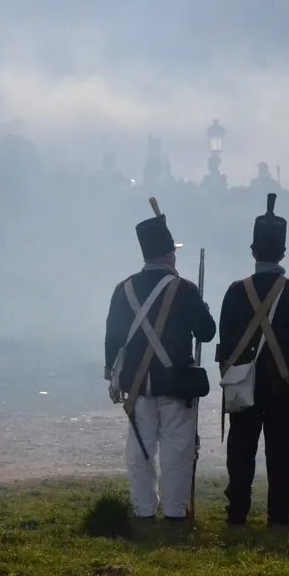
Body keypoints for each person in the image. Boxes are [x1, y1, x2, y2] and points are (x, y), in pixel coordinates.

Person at [104, 200, 217, 522]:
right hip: (176, 381)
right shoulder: (185, 289)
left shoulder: (124, 288)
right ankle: (174, 512)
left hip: (138, 384)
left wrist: (112, 376)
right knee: (177, 450)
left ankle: (143, 510)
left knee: (139, 451)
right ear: (168, 255)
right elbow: (207, 332)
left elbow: (113, 337)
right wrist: (203, 308)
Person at [216, 193, 289, 527]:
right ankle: (278, 516)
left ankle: (237, 513)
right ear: (283, 252)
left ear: (253, 251)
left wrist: (230, 376)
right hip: (282, 383)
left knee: (240, 450)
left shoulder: (235, 291)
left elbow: (225, 343)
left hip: (244, 382)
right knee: (281, 452)